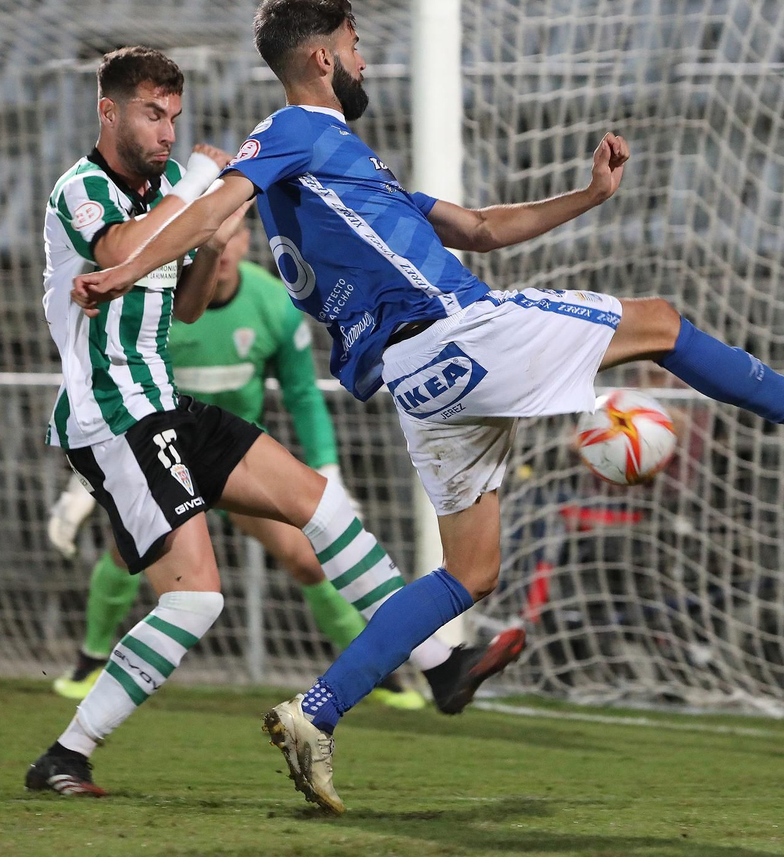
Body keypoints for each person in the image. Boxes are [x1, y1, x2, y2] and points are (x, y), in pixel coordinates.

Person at [68, 0, 784, 816]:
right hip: (458, 334)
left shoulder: (332, 179)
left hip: (420, 383)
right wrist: (125, 270)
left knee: (470, 570)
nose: (365, 58)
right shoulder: (294, 133)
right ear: (321, 59)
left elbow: (479, 227)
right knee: (660, 323)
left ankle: (315, 712)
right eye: (354, 42)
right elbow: (211, 209)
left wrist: (586, 198)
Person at [26, 45, 520, 798]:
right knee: (196, 599)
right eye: (152, 115)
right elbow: (119, 251)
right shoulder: (83, 187)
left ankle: (440, 664)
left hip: (163, 400)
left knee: (323, 503)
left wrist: (213, 245)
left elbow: (185, 305)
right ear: (109, 110)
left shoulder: (163, 189)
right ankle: (67, 753)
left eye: (174, 118)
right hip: (114, 413)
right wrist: (200, 187)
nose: (166, 132)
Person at [44, 229, 523, 712]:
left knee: (309, 554)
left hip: (229, 453)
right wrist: (82, 484)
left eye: (230, 232)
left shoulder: (272, 302)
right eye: (211, 233)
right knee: (134, 559)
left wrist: (328, 467)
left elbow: (301, 394)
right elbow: (113, 389)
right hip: (154, 449)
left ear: (245, 237)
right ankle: (91, 659)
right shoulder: (155, 305)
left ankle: (383, 669)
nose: (223, 247)